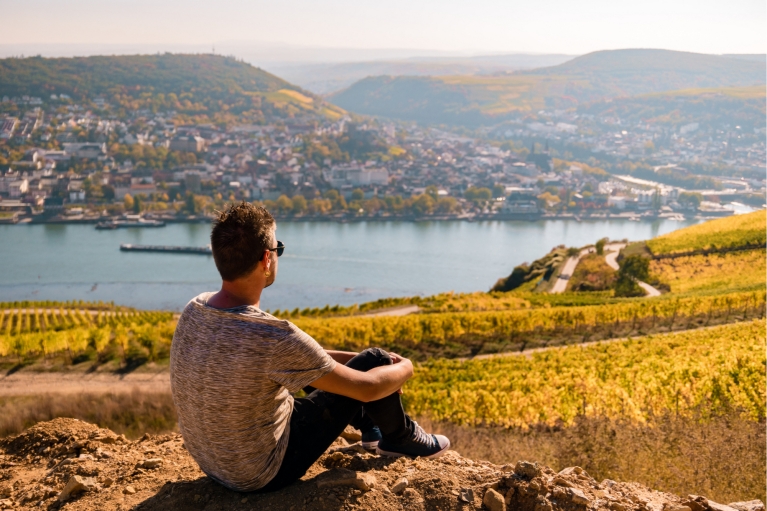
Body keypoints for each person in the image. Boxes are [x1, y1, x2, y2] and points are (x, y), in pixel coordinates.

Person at [170, 202, 449, 493]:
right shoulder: (272, 336)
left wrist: (362, 362)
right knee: (376, 358)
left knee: (346, 364)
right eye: (278, 248)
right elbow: (368, 388)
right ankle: (400, 439)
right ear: (266, 259)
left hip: (215, 463)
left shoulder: (195, 308)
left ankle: (371, 428)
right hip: (262, 473)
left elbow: (300, 358)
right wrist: (403, 366)